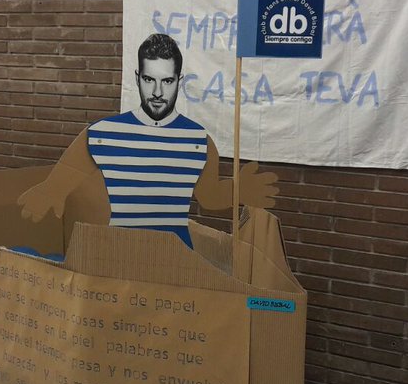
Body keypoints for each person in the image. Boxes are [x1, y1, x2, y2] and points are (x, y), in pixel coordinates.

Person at [18, 33, 277, 248]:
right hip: (118, 252)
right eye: (149, 79)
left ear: (179, 82)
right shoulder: (101, 135)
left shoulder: (199, 142)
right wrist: (50, 191)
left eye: (167, 81)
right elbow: (59, 183)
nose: (157, 92)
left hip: (176, 257)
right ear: (137, 78)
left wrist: (237, 191)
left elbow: (209, 198)